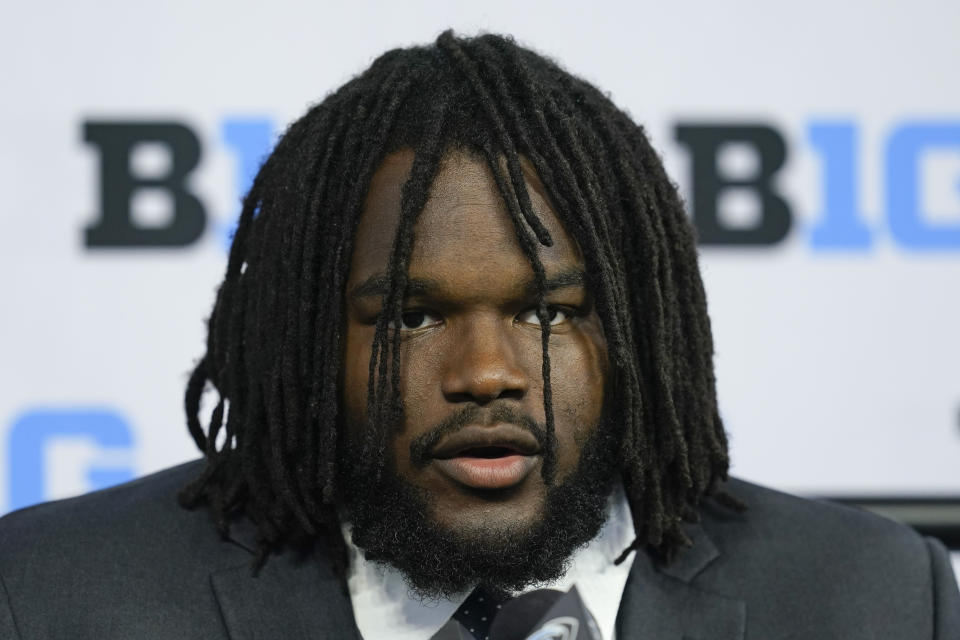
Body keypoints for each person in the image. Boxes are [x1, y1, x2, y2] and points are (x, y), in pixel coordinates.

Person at [0, 31, 957, 640]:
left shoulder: (875, 601)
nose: (487, 374)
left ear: (634, 331)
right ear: (303, 342)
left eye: (549, 312)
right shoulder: (55, 601)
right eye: (411, 317)